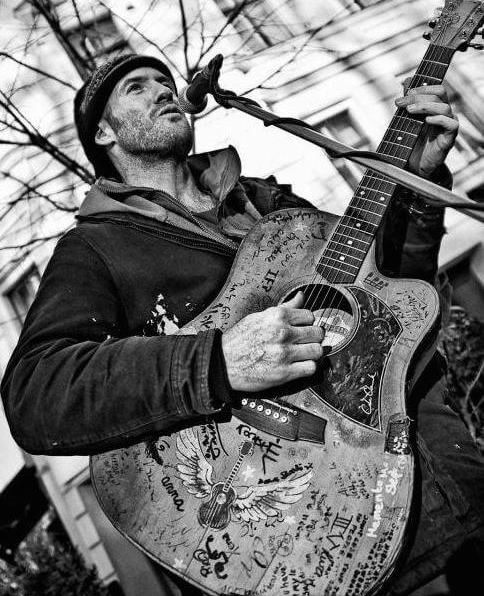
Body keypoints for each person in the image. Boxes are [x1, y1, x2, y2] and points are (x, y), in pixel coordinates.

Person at [1, 54, 483, 596]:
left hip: (441, 474)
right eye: (136, 88)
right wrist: (218, 360)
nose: (163, 90)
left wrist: (418, 183)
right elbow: (36, 392)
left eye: (164, 80)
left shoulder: (266, 201)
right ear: (103, 133)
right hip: (293, 535)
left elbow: (397, 299)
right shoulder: (96, 247)